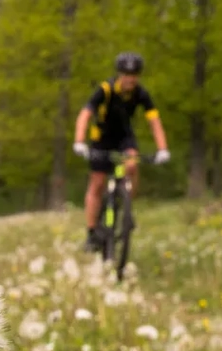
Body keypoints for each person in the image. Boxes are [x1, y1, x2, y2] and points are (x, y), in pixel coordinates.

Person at [72, 51, 170, 252]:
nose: (130, 79)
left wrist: (162, 149)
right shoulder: (105, 90)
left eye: (134, 75)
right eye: (126, 74)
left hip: (125, 137)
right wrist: (80, 142)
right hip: (102, 138)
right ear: (119, 74)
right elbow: (85, 115)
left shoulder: (141, 94)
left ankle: (126, 209)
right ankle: (92, 233)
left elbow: (154, 121)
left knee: (132, 164)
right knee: (97, 183)